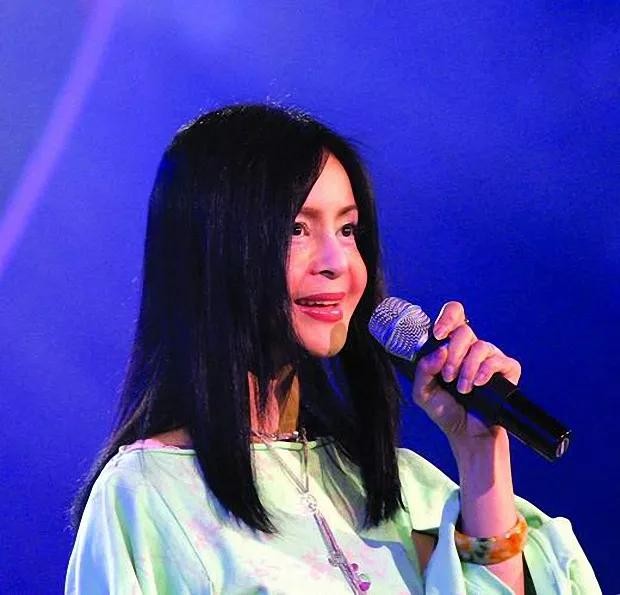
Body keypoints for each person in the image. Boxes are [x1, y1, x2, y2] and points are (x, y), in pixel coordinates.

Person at [65, 104, 600, 594]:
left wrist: (481, 455)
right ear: (214, 248)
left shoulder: (390, 484)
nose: (337, 262)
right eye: (297, 228)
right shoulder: (147, 495)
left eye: (347, 230)